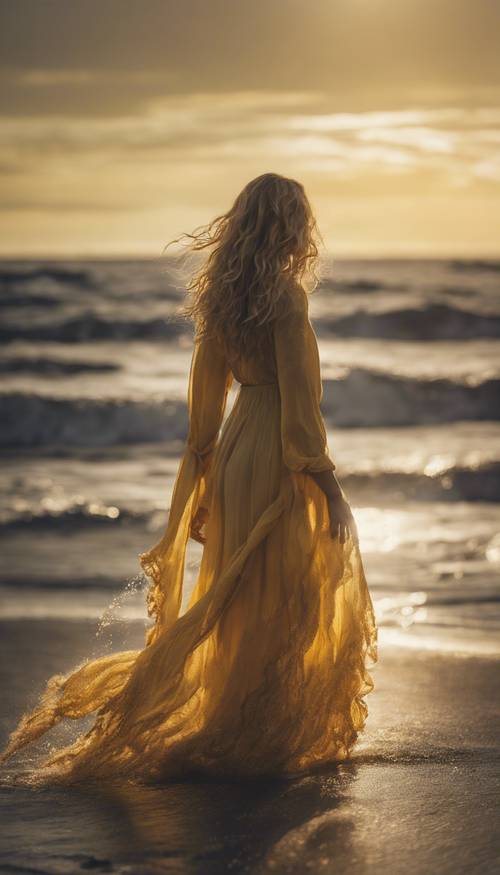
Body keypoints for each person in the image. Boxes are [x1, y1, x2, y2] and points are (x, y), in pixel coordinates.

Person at [1, 172, 377, 782]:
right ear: (290, 226)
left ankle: (233, 715)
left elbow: (204, 408)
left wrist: (202, 483)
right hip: (278, 449)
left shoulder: (222, 297)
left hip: (233, 450)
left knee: (233, 590)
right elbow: (302, 403)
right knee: (278, 589)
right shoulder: (286, 296)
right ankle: (260, 727)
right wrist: (328, 484)